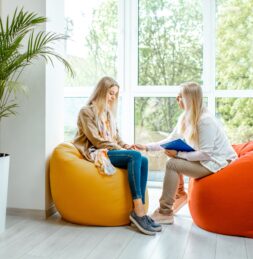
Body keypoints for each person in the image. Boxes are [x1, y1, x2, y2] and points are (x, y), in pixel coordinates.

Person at [134, 82, 237, 224]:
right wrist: (146, 147)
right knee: (172, 158)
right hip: (206, 160)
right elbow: (170, 139)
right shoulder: (185, 117)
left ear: (189, 99)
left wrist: (178, 154)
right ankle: (179, 195)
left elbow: (206, 154)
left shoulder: (205, 121)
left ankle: (165, 212)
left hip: (216, 163)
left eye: (180, 97)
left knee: (172, 164)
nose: (177, 99)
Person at [73, 76, 161, 235]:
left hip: (108, 149)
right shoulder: (85, 112)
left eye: (115, 94)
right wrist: (122, 149)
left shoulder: (108, 114)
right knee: (134, 156)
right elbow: (97, 140)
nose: (113, 97)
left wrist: (126, 146)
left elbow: (116, 137)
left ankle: (139, 210)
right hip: (96, 152)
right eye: (110, 93)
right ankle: (139, 212)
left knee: (143, 159)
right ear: (101, 92)